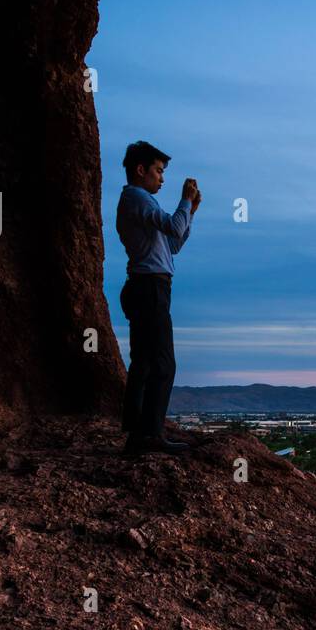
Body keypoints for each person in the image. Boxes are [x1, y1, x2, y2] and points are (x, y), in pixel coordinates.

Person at [115, 140, 201, 455]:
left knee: (146, 361)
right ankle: (148, 434)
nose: (162, 178)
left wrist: (188, 211)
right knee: (162, 363)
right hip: (149, 287)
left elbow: (173, 244)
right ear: (141, 170)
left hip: (147, 285)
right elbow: (173, 230)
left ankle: (138, 433)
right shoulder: (138, 199)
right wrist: (184, 202)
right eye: (159, 171)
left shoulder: (140, 203)